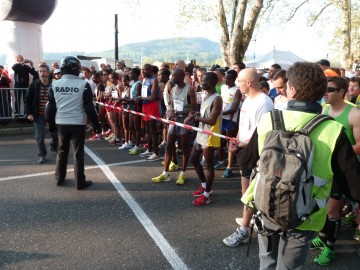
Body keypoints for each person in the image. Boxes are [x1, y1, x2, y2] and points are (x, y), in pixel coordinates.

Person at [240, 62, 360, 269]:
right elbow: (353, 182)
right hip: (306, 213)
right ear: (322, 91)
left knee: (267, 261)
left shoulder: (269, 120)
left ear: (292, 90)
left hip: (266, 204)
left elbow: (246, 162)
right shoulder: (333, 129)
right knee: (289, 266)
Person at [310, 76, 360, 266]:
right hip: (326, 168)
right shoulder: (324, 110)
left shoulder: (354, 114)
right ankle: (323, 237)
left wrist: (334, 151)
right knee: (321, 206)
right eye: (324, 89)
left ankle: (330, 248)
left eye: (330, 89)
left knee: (332, 210)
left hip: (344, 170)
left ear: (342, 92)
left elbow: (359, 146)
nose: (325, 93)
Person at [223, 68, 274, 247]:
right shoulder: (247, 101)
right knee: (246, 193)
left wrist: (242, 144)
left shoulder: (264, 103)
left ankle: (244, 230)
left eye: (239, 82)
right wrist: (235, 140)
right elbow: (243, 126)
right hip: (243, 149)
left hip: (255, 152)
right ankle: (250, 218)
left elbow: (263, 133)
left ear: (249, 83)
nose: (237, 85)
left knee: (251, 193)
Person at [46, 56, 100, 190]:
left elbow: (50, 108)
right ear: (77, 69)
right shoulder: (84, 85)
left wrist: (51, 125)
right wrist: (97, 125)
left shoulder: (54, 85)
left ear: (62, 69)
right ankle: (80, 182)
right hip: (77, 123)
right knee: (78, 153)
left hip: (61, 123)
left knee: (62, 151)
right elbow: (89, 108)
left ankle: (59, 178)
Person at [152, 68, 196, 185]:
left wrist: (181, 113)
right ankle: (165, 174)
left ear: (181, 77)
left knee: (184, 147)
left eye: (174, 76)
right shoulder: (173, 89)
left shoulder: (190, 90)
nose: (172, 78)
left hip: (184, 122)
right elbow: (171, 106)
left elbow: (194, 110)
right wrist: (169, 115)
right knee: (168, 146)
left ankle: (183, 173)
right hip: (174, 120)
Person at [189, 72, 222, 206]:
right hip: (201, 133)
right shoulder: (206, 95)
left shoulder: (217, 99)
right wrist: (195, 113)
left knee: (209, 166)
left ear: (208, 83)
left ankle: (207, 195)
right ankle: (204, 185)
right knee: (194, 159)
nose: (200, 82)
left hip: (209, 135)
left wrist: (197, 118)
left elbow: (212, 120)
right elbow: (204, 114)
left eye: (203, 81)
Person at [25, 63, 58, 164]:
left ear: (48, 73)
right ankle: (42, 154)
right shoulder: (34, 85)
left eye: (44, 71)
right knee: (39, 137)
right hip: (38, 114)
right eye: (40, 71)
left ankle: (53, 144)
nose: (42, 73)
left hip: (51, 114)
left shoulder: (54, 85)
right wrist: (29, 113)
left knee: (55, 134)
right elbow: (27, 99)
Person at [220, 69, 242, 178]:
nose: (226, 80)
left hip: (230, 120)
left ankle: (229, 167)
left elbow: (234, 108)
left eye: (228, 78)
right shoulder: (223, 88)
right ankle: (222, 160)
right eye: (225, 77)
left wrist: (221, 112)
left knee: (231, 143)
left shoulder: (237, 91)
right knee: (220, 140)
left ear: (234, 79)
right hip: (222, 118)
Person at [138, 64, 160, 161]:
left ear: (150, 70)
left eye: (145, 70)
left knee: (152, 130)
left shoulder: (154, 80)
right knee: (147, 130)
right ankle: (150, 149)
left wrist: (140, 98)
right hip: (145, 106)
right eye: (142, 70)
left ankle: (156, 153)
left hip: (151, 106)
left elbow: (153, 97)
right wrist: (141, 98)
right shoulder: (144, 80)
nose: (143, 71)